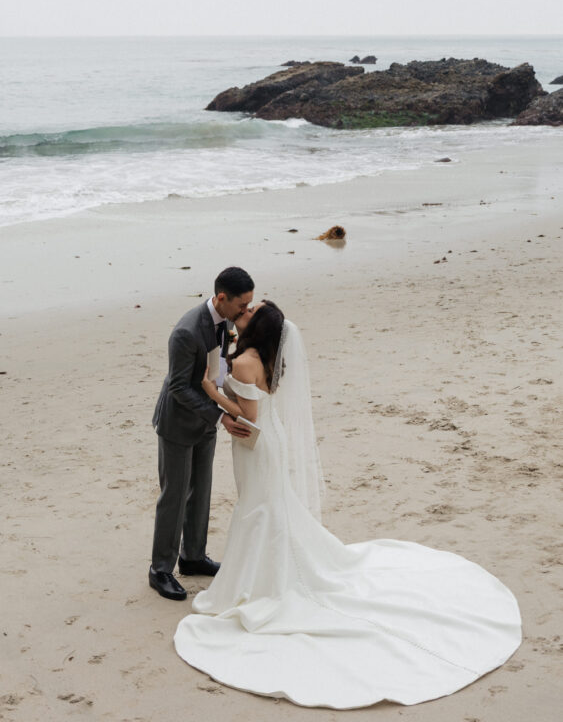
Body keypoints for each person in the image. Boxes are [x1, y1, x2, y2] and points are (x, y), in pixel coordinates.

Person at [174, 302, 522, 709]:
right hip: (268, 442)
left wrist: (213, 391)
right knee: (268, 507)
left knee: (260, 509)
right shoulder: (265, 358)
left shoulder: (247, 362)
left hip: (259, 445)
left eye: (254, 310)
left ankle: (263, 580)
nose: (246, 311)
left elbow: (248, 415)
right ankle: (265, 569)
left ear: (260, 327)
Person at [150, 266, 255, 601]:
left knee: (201, 492)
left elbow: (221, 366)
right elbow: (179, 386)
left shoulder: (225, 322)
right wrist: (221, 415)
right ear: (222, 298)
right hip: (178, 425)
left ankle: (192, 557)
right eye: (241, 305)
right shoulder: (186, 332)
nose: (245, 312)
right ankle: (160, 570)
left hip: (206, 423)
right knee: (175, 496)